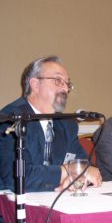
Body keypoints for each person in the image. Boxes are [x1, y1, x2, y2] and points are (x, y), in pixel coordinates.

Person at [0, 56, 102, 192]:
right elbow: (16, 177)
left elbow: (84, 164)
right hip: (12, 207)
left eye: (67, 84)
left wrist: (77, 178)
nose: (65, 89)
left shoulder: (66, 124)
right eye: (58, 81)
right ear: (35, 84)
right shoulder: (11, 118)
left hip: (56, 202)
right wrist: (67, 170)